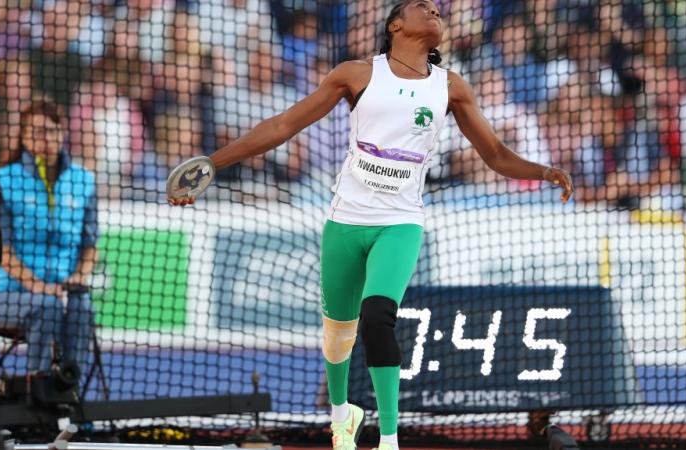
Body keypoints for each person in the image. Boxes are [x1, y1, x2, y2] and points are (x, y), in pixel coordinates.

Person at [169, 1, 573, 449]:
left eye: (439, 9)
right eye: (423, 7)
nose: (435, 11)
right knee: (337, 334)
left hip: (399, 223)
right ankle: (343, 416)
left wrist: (541, 171)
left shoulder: (451, 87)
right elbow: (284, 125)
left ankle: (388, 438)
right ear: (395, 24)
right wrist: (211, 164)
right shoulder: (356, 75)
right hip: (346, 220)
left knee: (377, 317)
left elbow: (495, 154)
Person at [0, 100, 97, 383]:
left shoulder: (83, 181)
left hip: (61, 291)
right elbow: (3, 252)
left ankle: (69, 387)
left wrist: (77, 278)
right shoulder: (1, 181)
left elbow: (89, 245)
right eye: (36, 132)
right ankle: (39, 390)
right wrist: (39, 287)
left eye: (51, 131)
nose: (45, 139)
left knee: (82, 306)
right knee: (45, 306)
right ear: (23, 137)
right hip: (6, 295)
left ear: (62, 133)